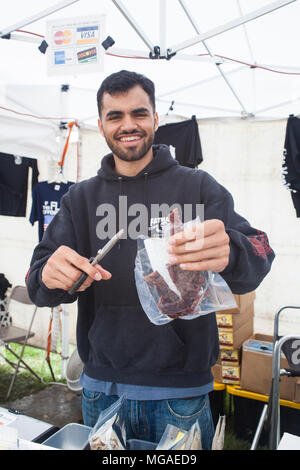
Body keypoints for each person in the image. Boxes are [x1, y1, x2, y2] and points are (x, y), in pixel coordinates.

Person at [26, 70, 275, 449]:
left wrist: (232, 252)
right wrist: (49, 276)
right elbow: (37, 283)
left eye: (139, 114)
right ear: (101, 125)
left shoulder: (197, 186)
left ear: (156, 119)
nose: (129, 125)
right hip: (101, 388)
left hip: (180, 393)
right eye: (115, 116)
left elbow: (261, 251)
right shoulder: (80, 199)